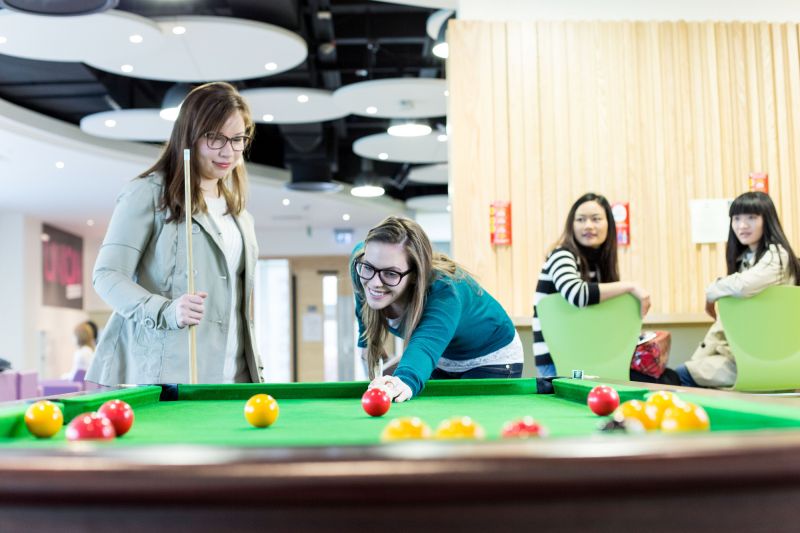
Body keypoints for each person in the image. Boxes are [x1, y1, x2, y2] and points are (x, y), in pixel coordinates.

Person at [87, 82, 263, 386]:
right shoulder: (148, 193)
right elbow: (107, 275)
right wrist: (166, 310)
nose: (228, 151)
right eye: (215, 138)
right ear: (189, 136)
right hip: (166, 377)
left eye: (237, 139)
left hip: (233, 380)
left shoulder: (240, 215)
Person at [352, 216, 523, 402]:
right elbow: (363, 302)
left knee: (467, 428)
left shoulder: (445, 291)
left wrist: (403, 380)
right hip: (442, 357)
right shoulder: (360, 267)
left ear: (416, 275)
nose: (375, 283)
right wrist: (365, 341)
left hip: (491, 356)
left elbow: (424, 345)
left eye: (390, 273)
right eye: (369, 267)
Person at [532, 193, 672, 383]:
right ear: (571, 226)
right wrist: (631, 286)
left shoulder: (599, 266)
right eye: (580, 220)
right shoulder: (561, 255)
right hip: (558, 362)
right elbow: (576, 294)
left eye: (596, 219)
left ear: (609, 224)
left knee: (667, 378)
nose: (588, 225)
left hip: (593, 358)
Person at [675, 191, 800, 388]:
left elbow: (743, 286)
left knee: (678, 377)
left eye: (752, 217)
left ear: (767, 220)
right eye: (736, 218)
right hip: (745, 355)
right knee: (680, 374)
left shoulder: (777, 255)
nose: (742, 225)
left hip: (763, 359)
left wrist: (712, 292)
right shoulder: (745, 262)